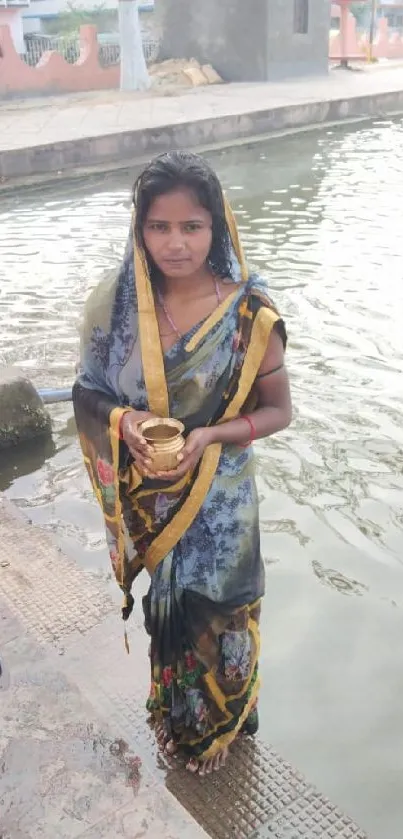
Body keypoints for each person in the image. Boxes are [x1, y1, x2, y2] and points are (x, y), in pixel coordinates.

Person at [73, 151, 292, 775]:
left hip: (220, 507)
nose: (176, 243)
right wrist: (124, 421)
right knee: (166, 611)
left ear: (216, 227)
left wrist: (211, 435)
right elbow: (88, 392)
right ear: (139, 230)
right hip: (154, 499)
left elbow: (279, 411)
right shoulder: (113, 306)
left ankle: (221, 730)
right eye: (159, 227)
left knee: (221, 616)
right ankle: (179, 718)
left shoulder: (249, 313)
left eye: (192, 227)